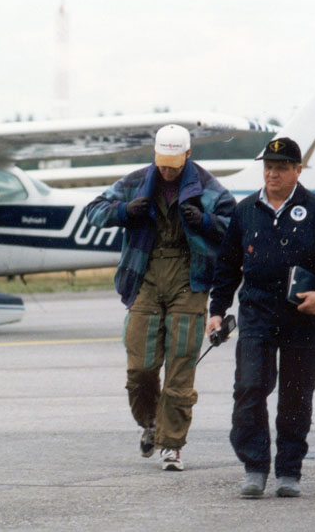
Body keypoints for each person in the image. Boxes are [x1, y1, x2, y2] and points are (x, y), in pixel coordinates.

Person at [206, 137, 315, 498]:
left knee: (295, 396)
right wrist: (216, 311)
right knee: (249, 389)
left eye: (282, 167)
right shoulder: (245, 211)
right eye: (268, 166)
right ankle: (255, 467)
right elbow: (226, 266)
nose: (272, 173)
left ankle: (289, 471)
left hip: (300, 317)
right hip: (255, 314)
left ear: (297, 171)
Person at [85, 124, 235, 471]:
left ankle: (172, 445)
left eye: (174, 164)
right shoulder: (136, 182)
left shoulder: (209, 187)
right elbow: (94, 211)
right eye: (162, 163)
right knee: (140, 369)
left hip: (190, 279)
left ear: (187, 155)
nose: (167, 170)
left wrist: (207, 221)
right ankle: (151, 424)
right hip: (145, 278)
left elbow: (235, 225)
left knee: (181, 366)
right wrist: (124, 212)